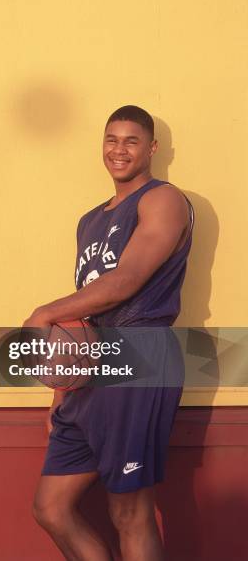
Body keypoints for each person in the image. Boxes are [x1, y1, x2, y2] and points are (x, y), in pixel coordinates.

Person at [23, 105, 194, 561]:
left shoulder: (163, 199)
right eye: (111, 139)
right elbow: (85, 310)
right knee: (51, 507)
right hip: (91, 370)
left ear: (152, 148)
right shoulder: (90, 220)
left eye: (131, 140)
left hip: (140, 353)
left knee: (130, 514)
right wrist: (60, 393)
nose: (119, 150)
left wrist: (42, 311)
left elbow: (125, 281)